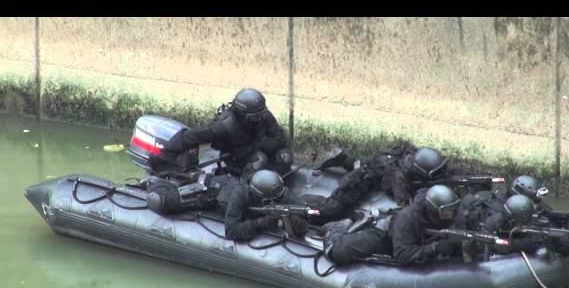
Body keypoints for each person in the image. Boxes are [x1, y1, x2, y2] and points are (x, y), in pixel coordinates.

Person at [149, 88, 293, 180]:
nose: (260, 118)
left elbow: (280, 139)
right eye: (255, 116)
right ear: (244, 114)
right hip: (239, 157)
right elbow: (192, 136)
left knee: (285, 156)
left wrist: (260, 143)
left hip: (261, 149)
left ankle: (274, 181)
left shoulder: (263, 115)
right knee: (259, 160)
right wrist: (163, 155)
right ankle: (245, 191)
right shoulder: (226, 125)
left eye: (261, 114)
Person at [302, 145, 451, 224]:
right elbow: (406, 209)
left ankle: (345, 159)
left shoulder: (419, 161)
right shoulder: (400, 178)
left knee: (370, 168)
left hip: (380, 168)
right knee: (332, 209)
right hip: (366, 178)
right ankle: (301, 203)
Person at [322, 185, 461, 266]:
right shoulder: (407, 218)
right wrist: (434, 248)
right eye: (446, 212)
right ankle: (337, 229)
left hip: (414, 240)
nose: (450, 215)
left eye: (452, 210)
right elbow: (401, 254)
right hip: (385, 237)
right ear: (432, 210)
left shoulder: (447, 217)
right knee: (339, 251)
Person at [453, 192, 569, 261]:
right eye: (518, 222)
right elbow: (487, 246)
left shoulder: (535, 223)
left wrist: (556, 241)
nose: (520, 225)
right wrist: (518, 244)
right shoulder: (493, 222)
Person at [225, 169, 308, 241]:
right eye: (272, 200)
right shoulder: (239, 195)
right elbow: (230, 231)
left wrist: (296, 221)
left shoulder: (278, 192)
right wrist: (260, 223)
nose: (276, 201)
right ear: (261, 199)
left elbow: (294, 204)